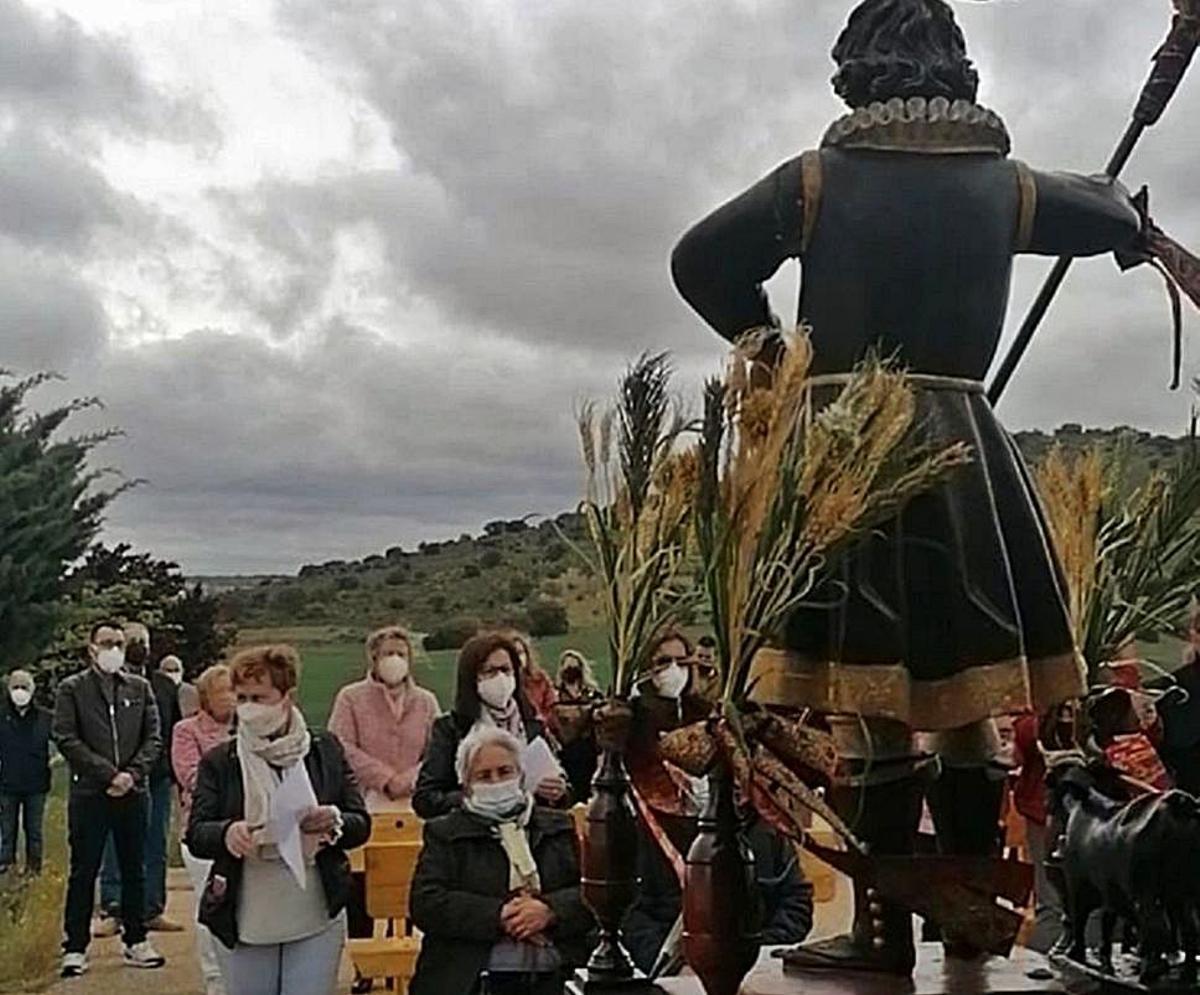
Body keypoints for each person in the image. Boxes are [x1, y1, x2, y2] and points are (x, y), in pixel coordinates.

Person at [669, 0, 1170, 974]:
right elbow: (1110, 211)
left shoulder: (817, 180)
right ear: (958, 69)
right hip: (963, 447)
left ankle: (884, 927)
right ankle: (971, 921)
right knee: (965, 696)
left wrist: (771, 345)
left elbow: (698, 260)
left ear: (857, 72)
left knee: (872, 702)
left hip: (847, 453)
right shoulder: (1009, 186)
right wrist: (1120, 215)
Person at [186, 644, 370, 995]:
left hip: (313, 906)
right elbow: (197, 832)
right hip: (247, 913)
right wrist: (228, 832)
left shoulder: (324, 749)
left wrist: (333, 820)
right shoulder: (220, 762)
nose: (249, 708)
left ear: (287, 696)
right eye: (242, 698)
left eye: (260, 697)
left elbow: (360, 821)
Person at [409, 725, 593, 995]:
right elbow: (427, 903)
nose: (496, 781)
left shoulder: (558, 826)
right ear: (467, 785)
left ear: (520, 775)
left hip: (556, 973)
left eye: (505, 771)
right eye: (484, 775)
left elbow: (591, 893)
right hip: (473, 977)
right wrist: (501, 915)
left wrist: (549, 910)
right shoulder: (445, 832)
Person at [328, 625, 439, 994]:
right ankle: (364, 966)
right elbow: (340, 744)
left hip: (413, 806)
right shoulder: (351, 698)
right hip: (367, 803)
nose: (395, 660)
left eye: (401, 653)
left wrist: (409, 778)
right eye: (388, 653)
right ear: (373, 658)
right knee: (360, 888)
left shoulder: (425, 700)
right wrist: (382, 777)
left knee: (407, 882)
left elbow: (437, 748)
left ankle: (406, 956)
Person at [53, 621, 166, 977]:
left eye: (119, 643)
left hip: (134, 793)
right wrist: (108, 773)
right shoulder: (72, 689)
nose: (114, 649)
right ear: (91, 648)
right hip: (91, 793)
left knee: (135, 867)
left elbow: (154, 738)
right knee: (84, 870)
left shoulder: (140, 687)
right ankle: (74, 947)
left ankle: (136, 938)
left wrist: (131, 775)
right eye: (106, 643)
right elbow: (67, 738)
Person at [623, 810, 814, 975]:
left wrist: (758, 953)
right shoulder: (647, 826)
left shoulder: (768, 826)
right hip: (676, 974)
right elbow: (633, 914)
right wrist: (677, 969)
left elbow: (796, 900)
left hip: (761, 969)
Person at [413, 632, 569, 820]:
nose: (500, 678)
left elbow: (564, 790)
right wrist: (476, 796)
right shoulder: (451, 729)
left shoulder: (533, 728)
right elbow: (425, 799)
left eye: (506, 670)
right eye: (490, 672)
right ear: (472, 678)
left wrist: (558, 793)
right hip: (471, 835)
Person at [97, 623, 185, 935]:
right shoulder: (106, 683)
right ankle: (114, 908)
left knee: (154, 843)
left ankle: (151, 909)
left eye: (143, 641)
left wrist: (177, 775)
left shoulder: (163, 685)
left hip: (156, 776)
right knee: (113, 842)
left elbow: (174, 730)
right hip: (116, 775)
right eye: (133, 640)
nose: (139, 645)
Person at [172, 665, 236, 995]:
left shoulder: (250, 729)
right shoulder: (186, 731)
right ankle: (215, 981)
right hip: (204, 833)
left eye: (234, 689)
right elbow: (192, 778)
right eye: (223, 690)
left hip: (244, 835)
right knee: (212, 907)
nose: (230, 696)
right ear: (206, 696)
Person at [0, 670, 52, 875]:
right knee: (7, 828)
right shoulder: (2, 716)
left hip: (36, 783)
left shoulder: (45, 718)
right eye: (16, 687)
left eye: (24, 687)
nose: (20, 692)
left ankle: (34, 867)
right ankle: (6, 864)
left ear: (32, 690)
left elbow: (64, 741)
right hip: (7, 782)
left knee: (34, 829)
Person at [553, 651, 603, 801]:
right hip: (566, 750)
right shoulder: (555, 694)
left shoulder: (592, 694)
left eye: (574, 666)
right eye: (567, 666)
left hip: (589, 750)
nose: (571, 669)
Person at [503, 630, 559, 738]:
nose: (518, 658)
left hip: (543, 732)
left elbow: (553, 706)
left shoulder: (540, 679)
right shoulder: (503, 684)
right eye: (514, 654)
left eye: (520, 653)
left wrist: (543, 721)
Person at [692, 636, 722, 704]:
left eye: (708, 657)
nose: (703, 660)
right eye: (699, 656)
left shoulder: (722, 679)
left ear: (715, 658)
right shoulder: (687, 675)